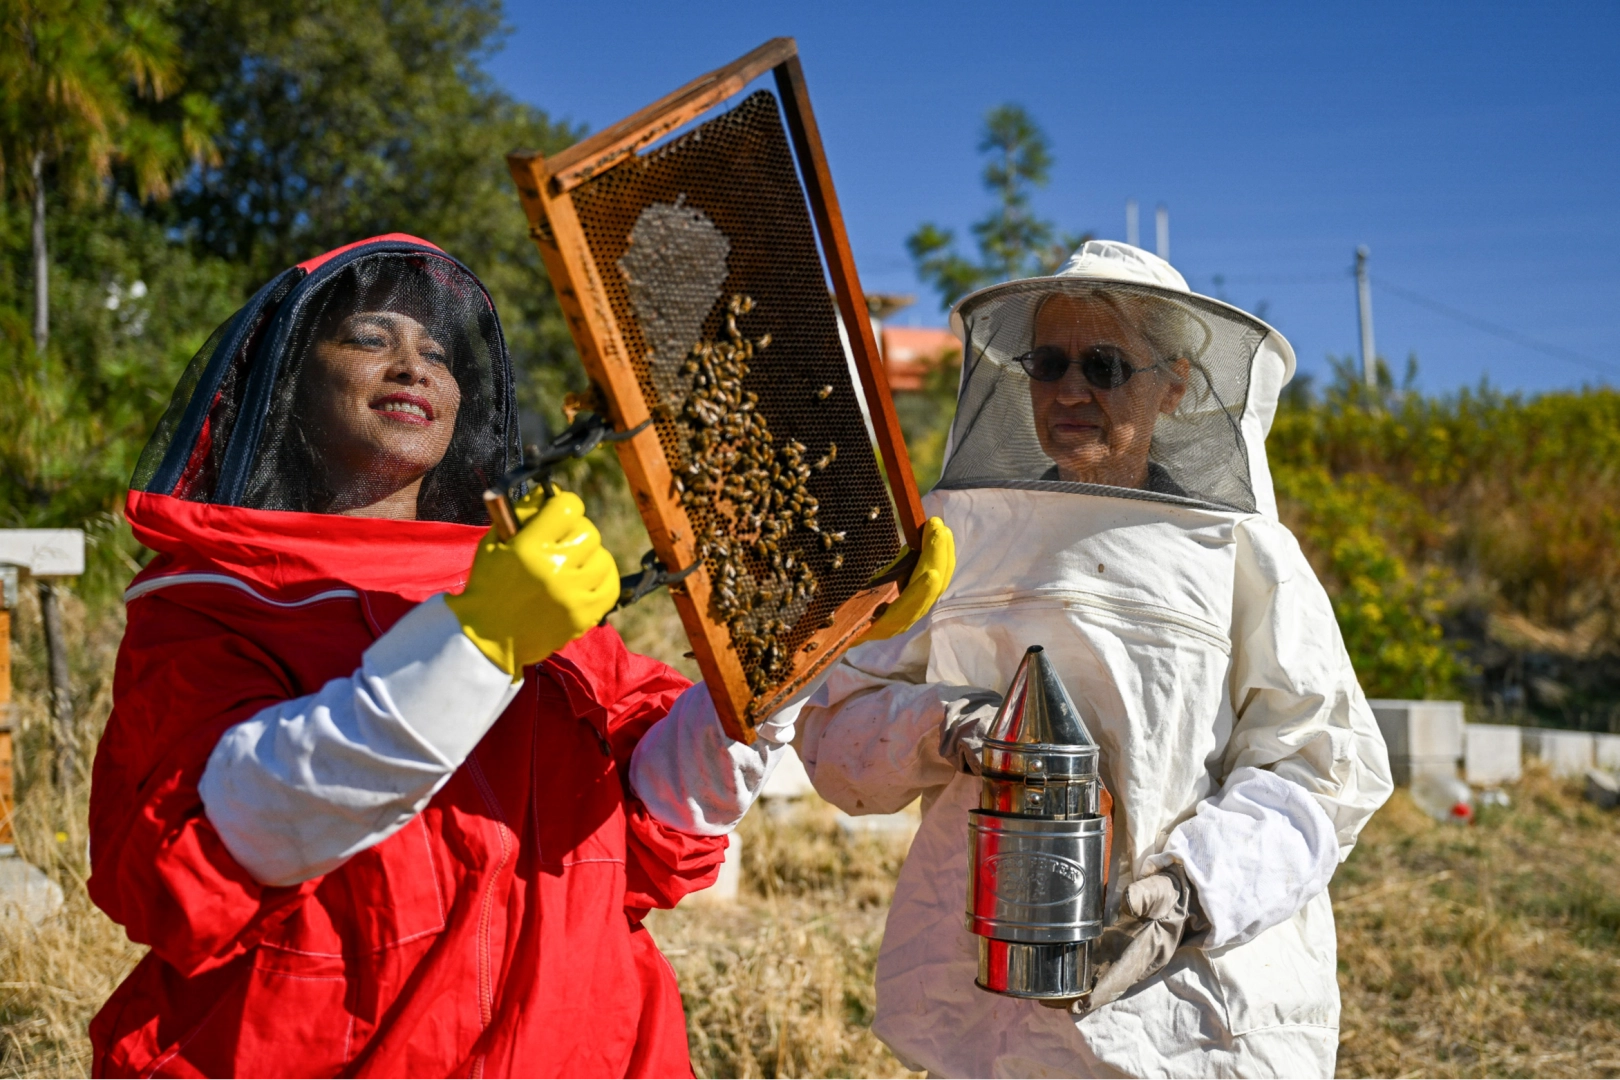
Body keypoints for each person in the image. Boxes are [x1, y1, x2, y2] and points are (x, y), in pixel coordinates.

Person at [87, 233, 951, 1078]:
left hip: (586, 1044)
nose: (413, 365)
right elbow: (220, 841)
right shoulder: (215, 604)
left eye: (436, 350)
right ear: (287, 390)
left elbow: (661, 828)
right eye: (367, 338)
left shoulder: (536, 596)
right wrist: (477, 643)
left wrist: (788, 651)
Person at [792, 240, 1393, 1078]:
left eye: (1105, 364)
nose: (1071, 389)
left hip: (1184, 1009)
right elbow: (834, 730)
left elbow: (1323, 770)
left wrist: (1190, 894)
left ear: (1173, 385)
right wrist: (949, 727)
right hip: (986, 1001)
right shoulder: (952, 537)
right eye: (1048, 361)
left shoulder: (1242, 551)